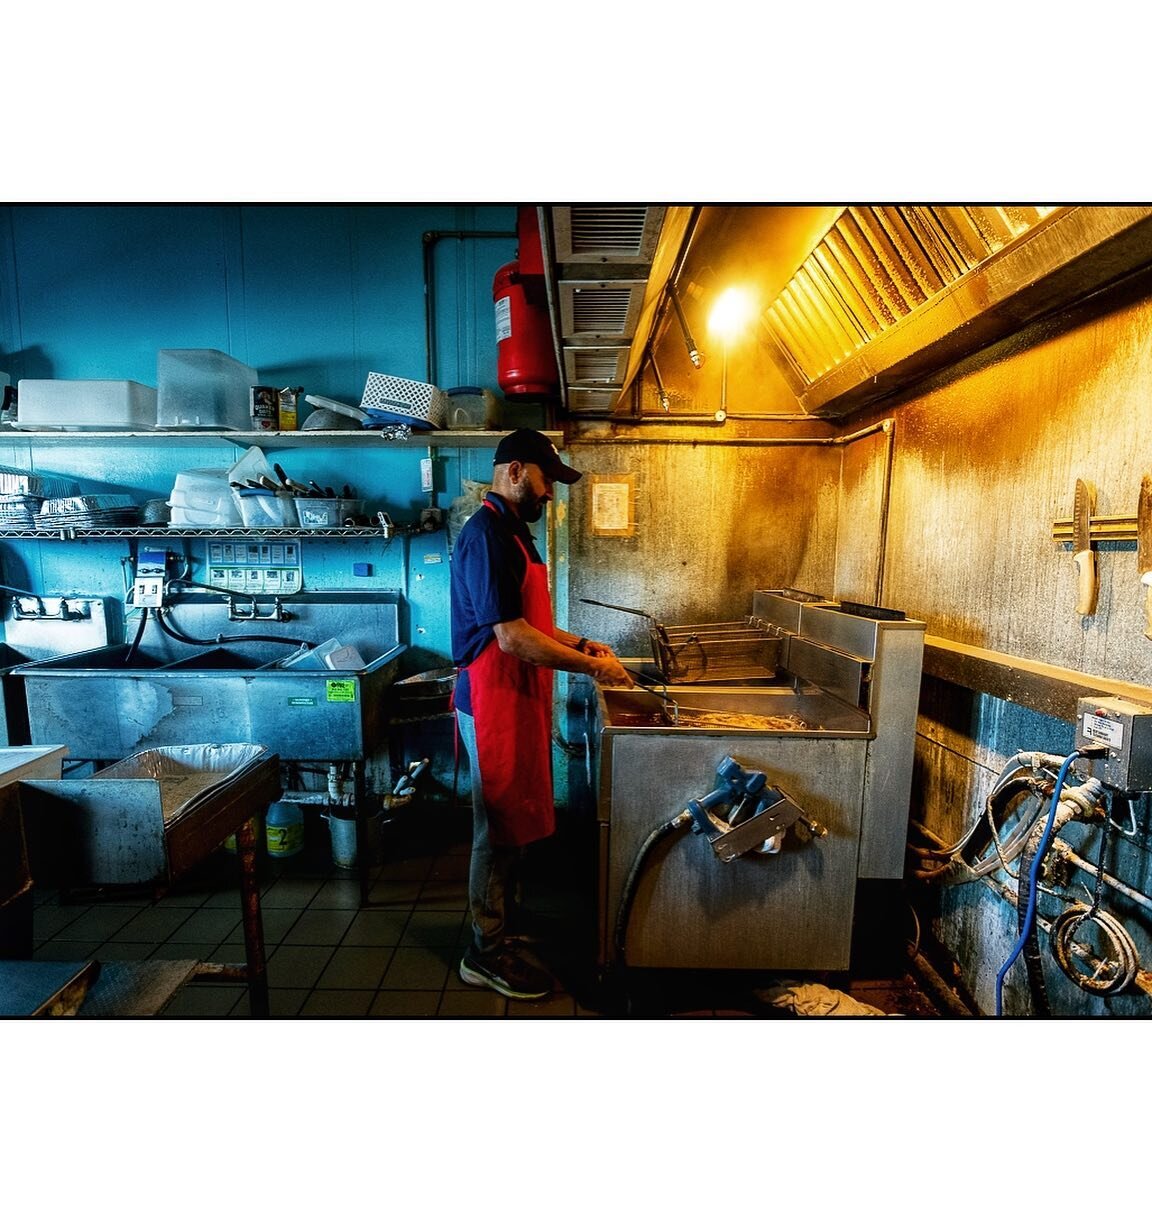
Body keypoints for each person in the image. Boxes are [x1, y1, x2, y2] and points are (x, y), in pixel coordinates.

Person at [450, 428, 633, 1000]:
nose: (551, 492)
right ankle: (483, 952)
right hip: (490, 697)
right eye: (546, 477)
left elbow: (532, 626)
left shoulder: (514, 535)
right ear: (514, 470)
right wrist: (593, 670)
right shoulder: (486, 536)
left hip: (517, 695)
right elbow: (509, 638)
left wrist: (581, 645)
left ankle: (502, 929)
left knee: (513, 820)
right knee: (496, 826)